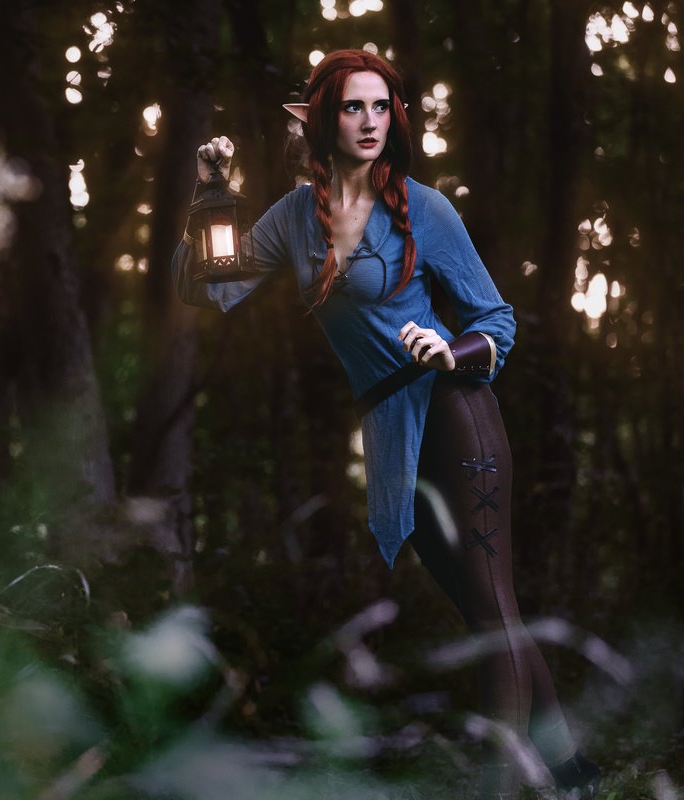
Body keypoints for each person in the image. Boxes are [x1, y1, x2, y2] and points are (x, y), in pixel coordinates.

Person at [172, 50, 601, 799]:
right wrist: (210, 195)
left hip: (454, 412)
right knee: (484, 607)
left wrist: (450, 349)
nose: (370, 121)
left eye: (381, 107)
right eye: (352, 107)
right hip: (391, 427)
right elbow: (207, 290)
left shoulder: (424, 209)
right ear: (321, 120)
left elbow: (496, 319)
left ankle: (502, 786)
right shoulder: (293, 219)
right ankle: (570, 769)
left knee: (491, 605)